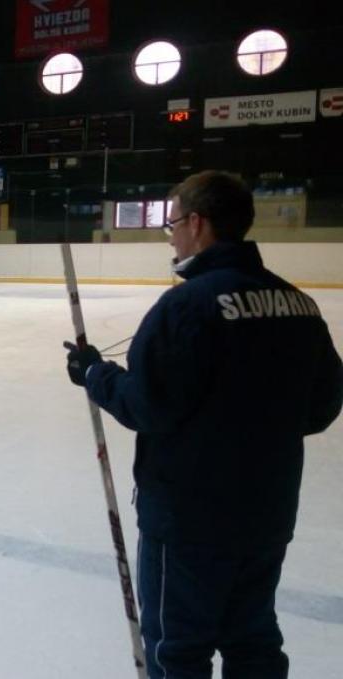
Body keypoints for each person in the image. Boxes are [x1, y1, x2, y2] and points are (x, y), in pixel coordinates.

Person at [63, 171, 342, 679]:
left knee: (177, 651)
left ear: (197, 222)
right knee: (252, 641)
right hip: (266, 514)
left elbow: (147, 406)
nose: (168, 235)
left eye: (171, 223)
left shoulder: (186, 306)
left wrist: (94, 374)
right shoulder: (299, 305)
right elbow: (321, 408)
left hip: (188, 522)